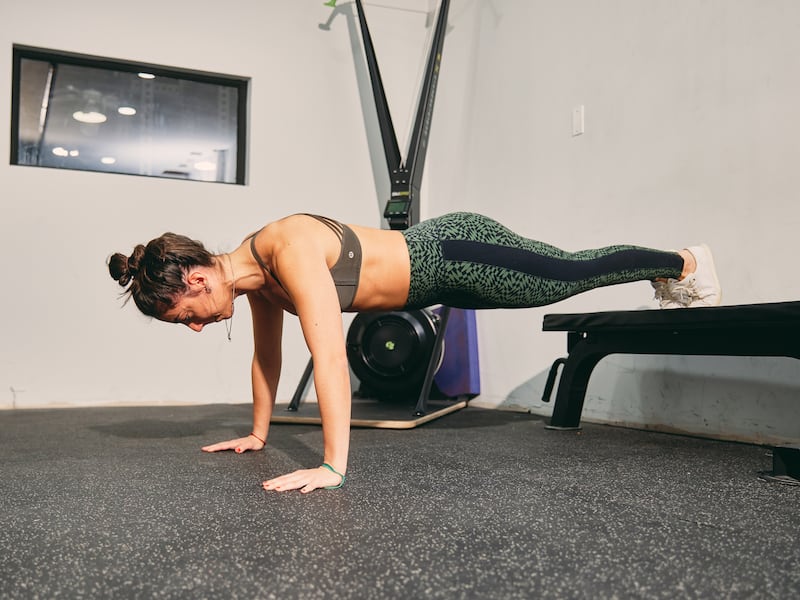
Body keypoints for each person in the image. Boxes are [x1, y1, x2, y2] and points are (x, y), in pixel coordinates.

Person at [108, 212, 721, 493]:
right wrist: (258, 434)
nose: (193, 328)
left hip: (452, 253)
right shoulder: (255, 280)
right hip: (444, 274)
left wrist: (332, 465)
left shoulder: (284, 247)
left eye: (186, 318)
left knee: (564, 275)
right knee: (562, 270)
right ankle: (674, 268)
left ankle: (684, 263)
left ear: (194, 281)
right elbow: (266, 359)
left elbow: (326, 356)